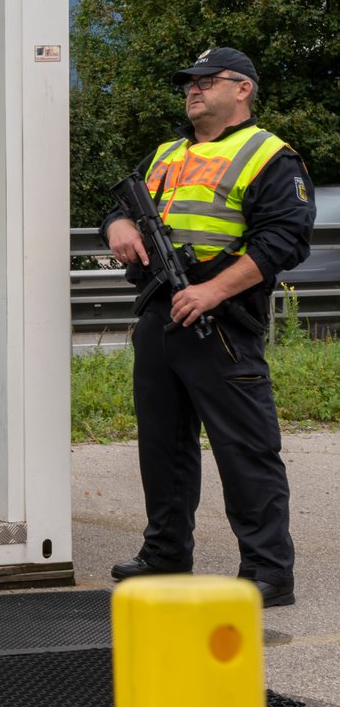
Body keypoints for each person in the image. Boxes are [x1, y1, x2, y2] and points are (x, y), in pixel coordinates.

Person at [101, 46, 312, 607]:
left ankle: (268, 570)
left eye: (206, 80)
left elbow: (284, 240)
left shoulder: (270, 155)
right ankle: (166, 554)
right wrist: (118, 224)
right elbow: (122, 206)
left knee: (246, 448)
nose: (193, 89)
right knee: (162, 446)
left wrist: (213, 290)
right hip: (159, 314)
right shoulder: (168, 153)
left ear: (242, 89)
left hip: (220, 321)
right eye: (189, 82)